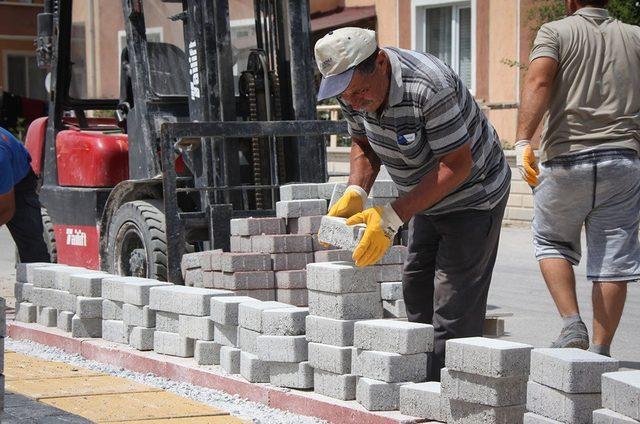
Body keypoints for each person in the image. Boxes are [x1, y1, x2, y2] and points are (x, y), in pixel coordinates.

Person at [315, 28, 511, 379]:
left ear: (379, 63)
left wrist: (393, 216)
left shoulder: (427, 86)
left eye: (359, 92)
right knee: (416, 288)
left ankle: (449, 394)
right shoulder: (350, 90)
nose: (354, 102)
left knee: (453, 305)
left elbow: (456, 165)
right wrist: (356, 191)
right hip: (425, 194)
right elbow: (363, 143)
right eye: (346, 96)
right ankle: (418, 382)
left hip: (474, 193)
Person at [515, 0, 640, 355]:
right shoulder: (635, 36)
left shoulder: (556, 31)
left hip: (567, 158)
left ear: (571, 2)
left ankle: (572, 325)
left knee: (552, 242)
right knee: (613, 259)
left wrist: (524, 138)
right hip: (622, 160)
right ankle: (600, 352)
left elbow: (539, 79)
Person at [0, 126, 50, 263]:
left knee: (32, 249)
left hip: (19, 183)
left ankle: (39, 280)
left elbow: (7, 209)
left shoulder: (1, 158)